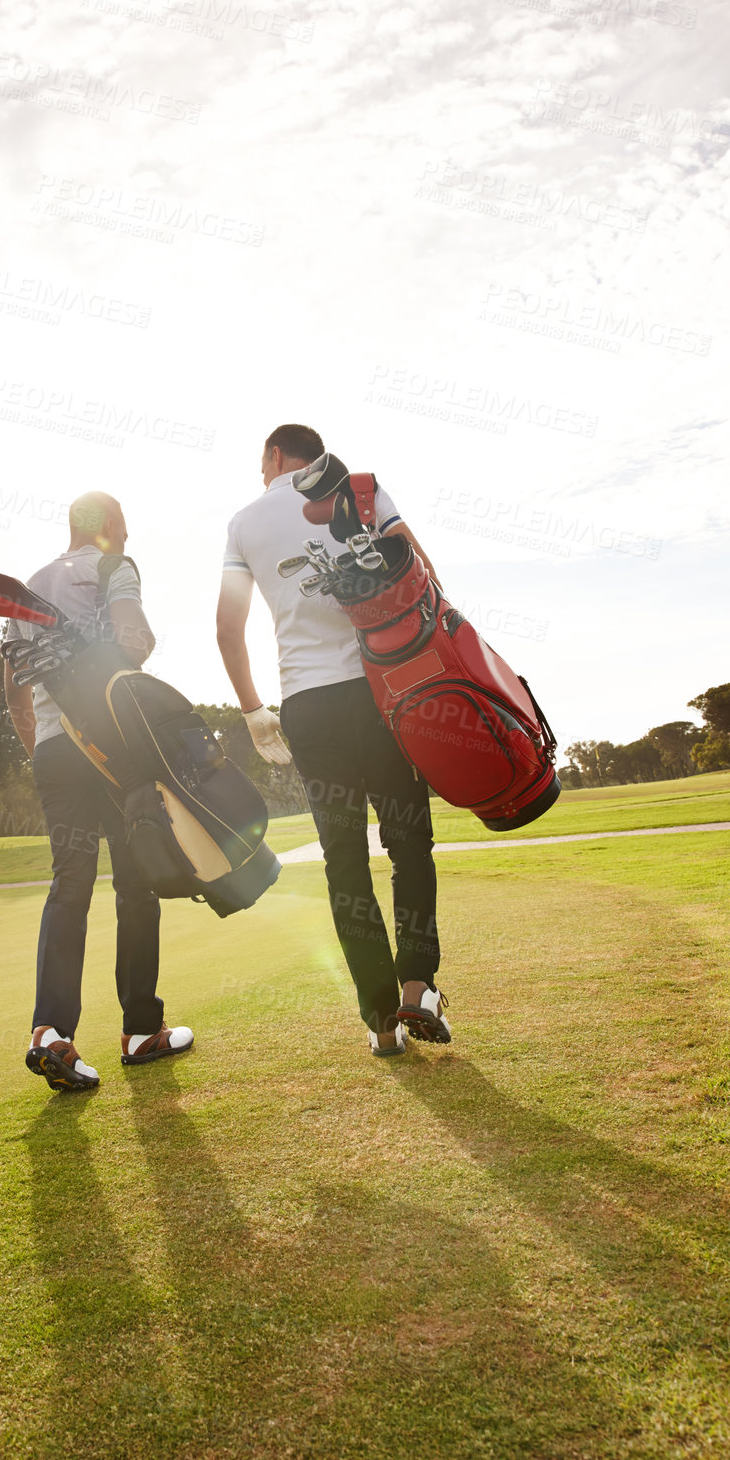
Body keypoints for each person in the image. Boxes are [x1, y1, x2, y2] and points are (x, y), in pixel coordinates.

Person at [215, 425, 448, 1056]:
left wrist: (254, 712)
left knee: (344, 860)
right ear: (318, 456)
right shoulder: (363, 491)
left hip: (308, 706)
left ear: (271, 456)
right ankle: (417, 987)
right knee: (408, 845)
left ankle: (381, 1025)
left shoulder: (244, 523)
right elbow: (421, 573)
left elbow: (227, 630)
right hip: (381, 691)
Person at [5, 490, 194, 1091]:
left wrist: (41, 750)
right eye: (125, 526)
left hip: (54, 750)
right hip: (111, 744)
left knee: (70, 884)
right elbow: (135, 640)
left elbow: (15, 692)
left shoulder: (28, 585)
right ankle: (141, 1030)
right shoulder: (115, 567)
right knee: (136, 883)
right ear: (109, 528)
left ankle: (51, 1033)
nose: (130, 536)